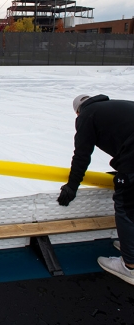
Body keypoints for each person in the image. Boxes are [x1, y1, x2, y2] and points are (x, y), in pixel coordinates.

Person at [58, 94, 134, 285]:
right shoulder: (116, 106)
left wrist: (72, 186)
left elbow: (82, 155)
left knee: (126, 206)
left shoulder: (87, 116)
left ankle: (129, 265)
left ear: (77, 111)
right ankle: (130, 248)